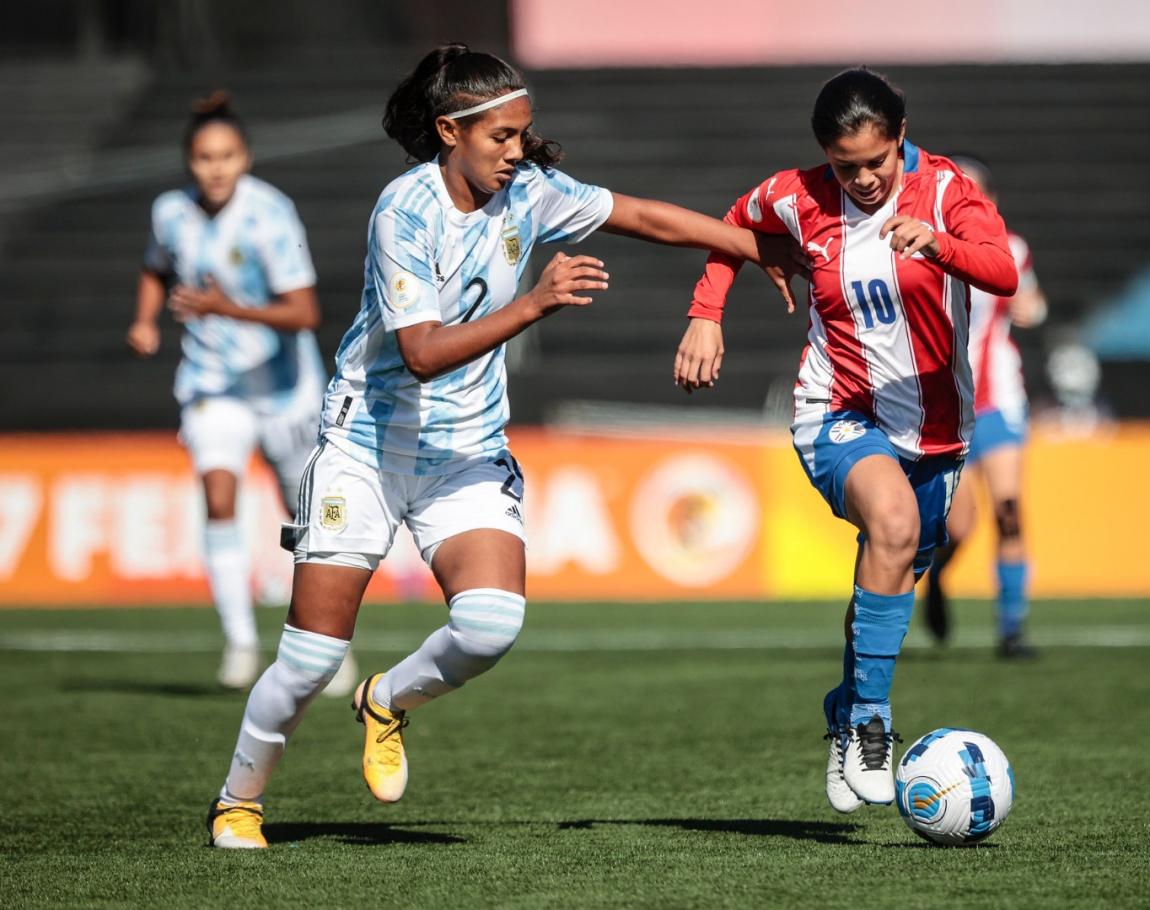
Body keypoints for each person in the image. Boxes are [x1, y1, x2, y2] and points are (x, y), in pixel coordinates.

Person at [205, 44, 797, 849]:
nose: (517, 151)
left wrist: (757, 248)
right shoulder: (402, 212)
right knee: (309, 660)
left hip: (466, 450)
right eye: (501, 138)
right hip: (368, 448)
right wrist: (537, 303)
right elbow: (420, 352)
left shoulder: (531, 193)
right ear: (449, 131)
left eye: (523, 135)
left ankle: (386, 700)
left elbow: (646, 218)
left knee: (489, 625)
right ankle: (238, 800)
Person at [673, 68, 1016, 813]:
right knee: (888, 526)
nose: (861, 179)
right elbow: (734, 220)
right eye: (843, 165)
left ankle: (848, 705)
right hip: (835, 407)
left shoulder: (948, 190)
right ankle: (870, 722)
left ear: (900, 137)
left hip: (935, 430)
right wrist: (707, 311)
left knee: (890, 566)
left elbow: (1001, 271)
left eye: (875, 162)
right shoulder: (796, 196)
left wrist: (940, 245)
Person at [127, 92, 357, 695]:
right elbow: (156, 267)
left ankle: (331, 644)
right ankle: (240, 642)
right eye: (205, 157)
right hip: (212, 385)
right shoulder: (170, 212)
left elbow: (305, 312)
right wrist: (145, 319)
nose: (216, 168)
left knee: (305, 517)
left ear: (246, 158)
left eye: (227, 155)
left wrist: (222, 307)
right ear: (189, 162)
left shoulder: (270, 215)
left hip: (285, 388)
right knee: (219, 496)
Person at [923, 155, 1048, 659]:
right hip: (945, 407)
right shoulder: (924, 249)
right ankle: (936, 578)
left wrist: (1031, 309)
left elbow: (1033, 303)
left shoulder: (1011, 250)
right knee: (958, 527)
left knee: (1010, 511)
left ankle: (1012, 628)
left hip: (998, 400)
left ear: (989, 202)